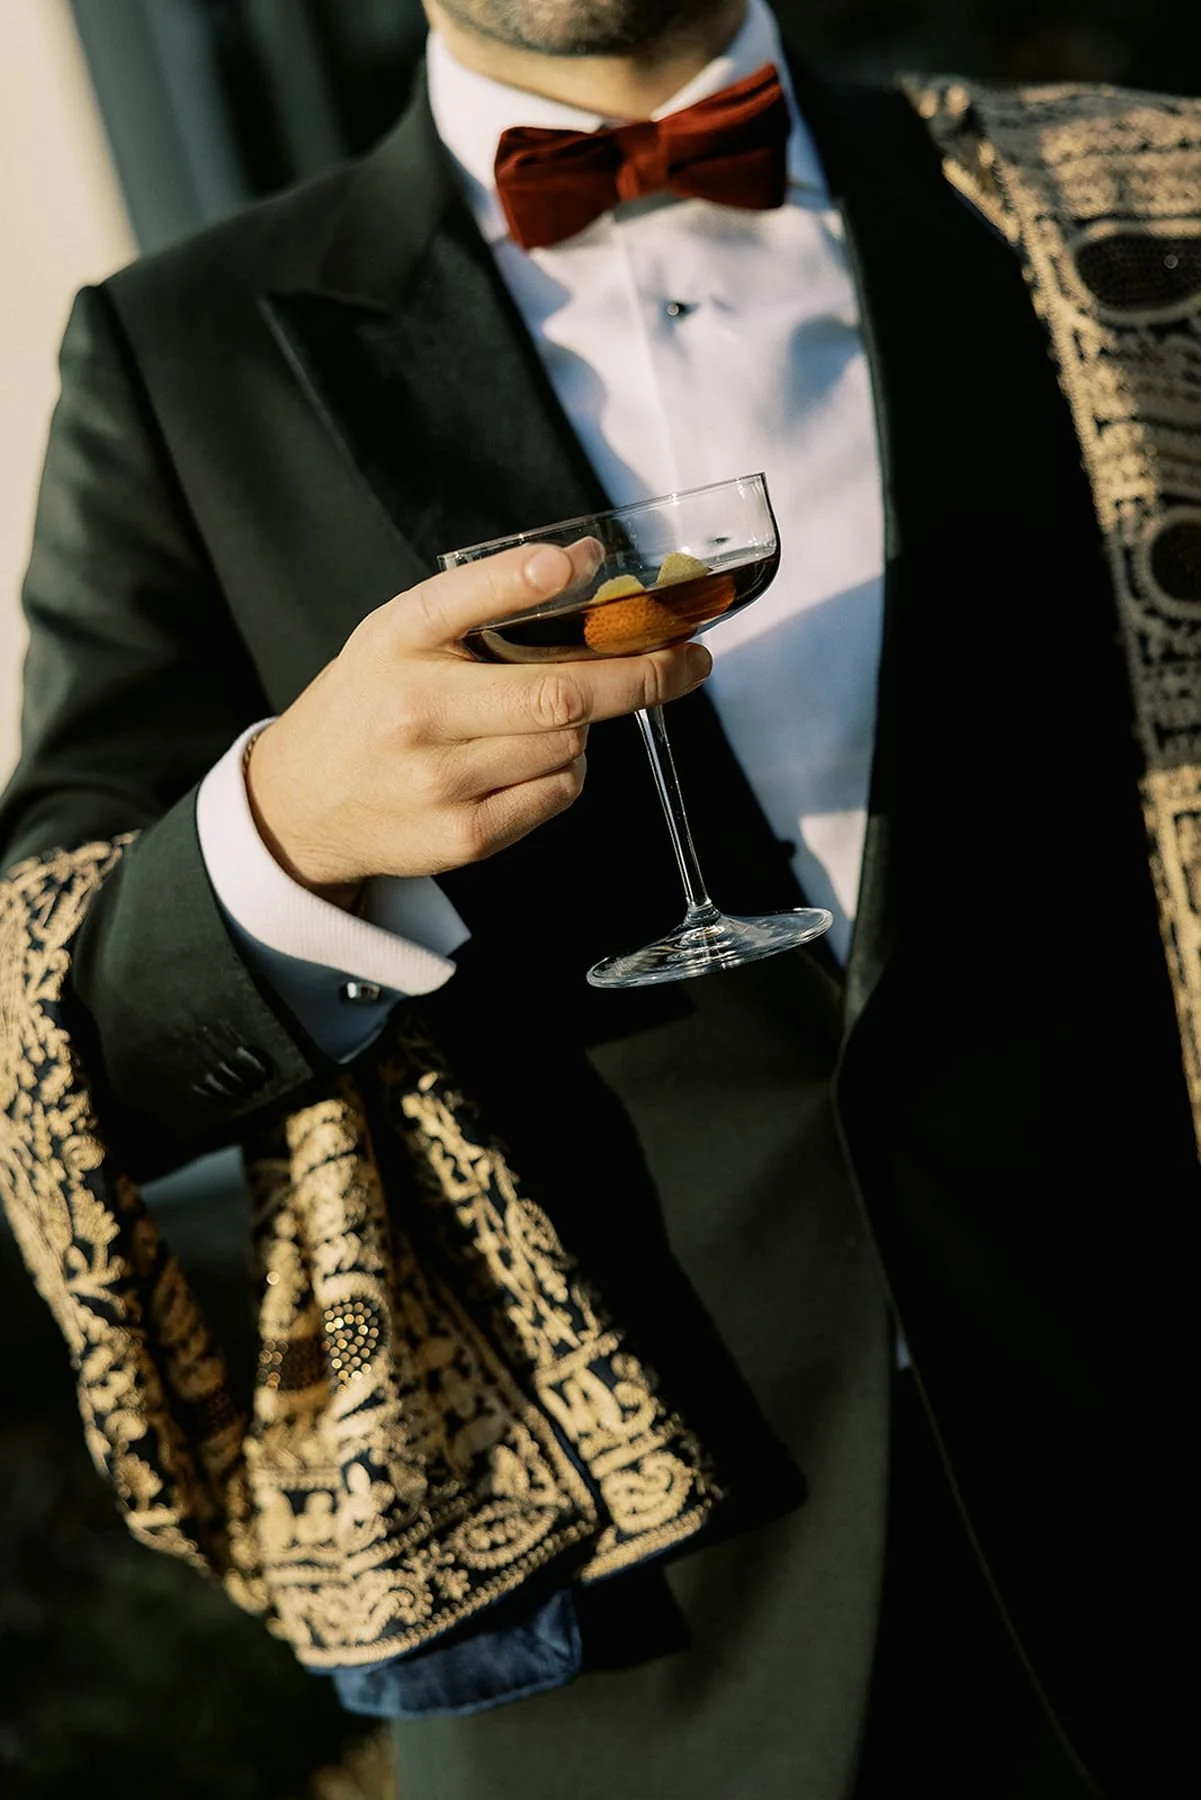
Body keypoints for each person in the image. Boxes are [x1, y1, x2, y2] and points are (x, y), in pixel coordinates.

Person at [0, 1, 1197, 1795]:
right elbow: (62, 1033)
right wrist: (279, 836)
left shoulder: (1130, 198)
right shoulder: (181, 352)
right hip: (658, 1666)